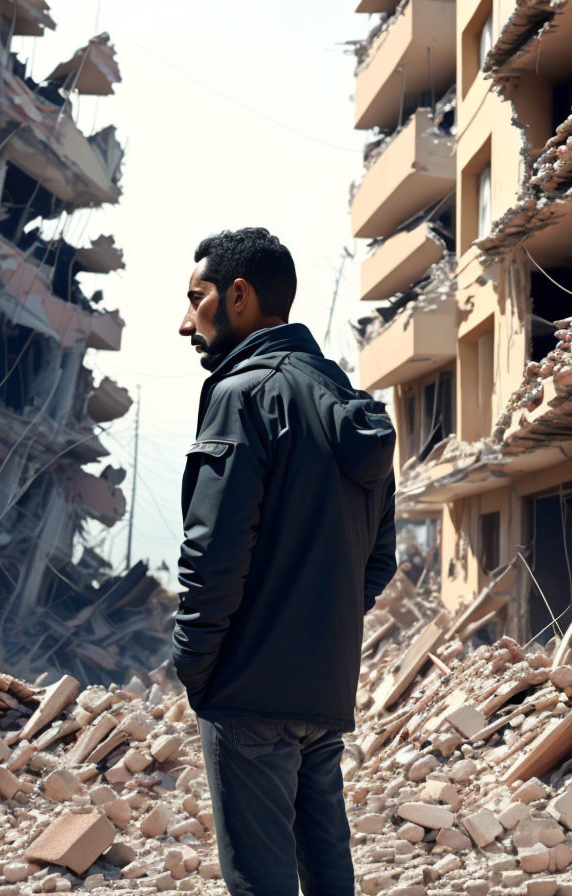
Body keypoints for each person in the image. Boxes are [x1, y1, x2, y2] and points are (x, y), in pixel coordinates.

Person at [172, 227, 397, 896]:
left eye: (196, 298)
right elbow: (377, 560)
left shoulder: (242, 394)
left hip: (247, 691)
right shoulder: (348, 403)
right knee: (329, 873)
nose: (184, 322)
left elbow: (213, 555)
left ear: (238, 297)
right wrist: (314, 628)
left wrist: (196, 663)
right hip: (323, 692)